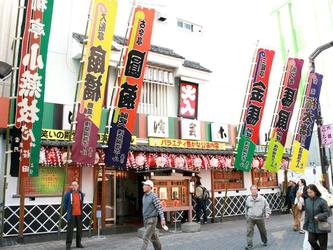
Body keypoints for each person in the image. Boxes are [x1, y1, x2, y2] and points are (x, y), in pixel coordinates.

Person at [304, 184, 330, 250]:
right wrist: (305, 225)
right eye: (308, 192)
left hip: (321, 227)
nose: (309, 194)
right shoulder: (307, 201)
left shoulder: (322, 201)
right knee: (311, 240)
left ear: (315, 191)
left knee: (323, 246)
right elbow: (306, 214)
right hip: (311, 227)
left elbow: (328, 213)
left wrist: (319, 216)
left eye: (311, 192)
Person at [245, 185, 271, 250]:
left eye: (255, 189)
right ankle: (249, 245)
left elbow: (266, 206)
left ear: (257, 190)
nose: (254, 191)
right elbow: (246, 208)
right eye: (252, 190)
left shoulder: (262, 198)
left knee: (263, 231)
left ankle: (265, 241)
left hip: (260, 218)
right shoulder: (248, 198)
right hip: (251, 218)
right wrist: (247, 216)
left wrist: (267, 213)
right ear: (250, 191)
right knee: (249, 231)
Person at [141, 180, 166, 250]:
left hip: (152, 220)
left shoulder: (154, 196)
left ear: (149, 187)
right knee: (153, 237)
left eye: (144, 185)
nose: (143, 187)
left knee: (145, 237)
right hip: (145, 220)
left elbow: (159, 208)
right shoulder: (144, 196)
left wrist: (162, 218)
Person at [64, 181, 84, 250]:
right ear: (71, 186)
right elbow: (65, 205)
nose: (74, 186)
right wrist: (68, 211)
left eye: (75, 185)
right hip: (71, 214)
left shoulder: (80, 194)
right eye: (73, 185)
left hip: (79, 214)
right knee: (70, 230)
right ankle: (68, 245)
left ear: (78, 186)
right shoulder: (68, 194)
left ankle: (78, 243)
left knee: (79, 230)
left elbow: (81, 203)